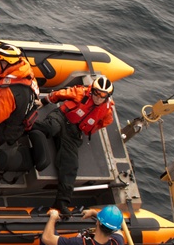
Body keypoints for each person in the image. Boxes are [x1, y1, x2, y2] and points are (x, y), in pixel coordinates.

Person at [35, 75, 115, 212]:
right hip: (62, 117)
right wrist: (45, 101)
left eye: (102, 96)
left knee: (70, 166)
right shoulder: (80, 93)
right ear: (92, 91)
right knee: (50, 127)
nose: (98, 98)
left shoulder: (107, 111)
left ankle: (62, 202)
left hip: (73, 133)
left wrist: (88, 129)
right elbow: (60, 94)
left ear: (107, 97)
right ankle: (26, 127)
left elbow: (103, 123)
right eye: (96, 93)